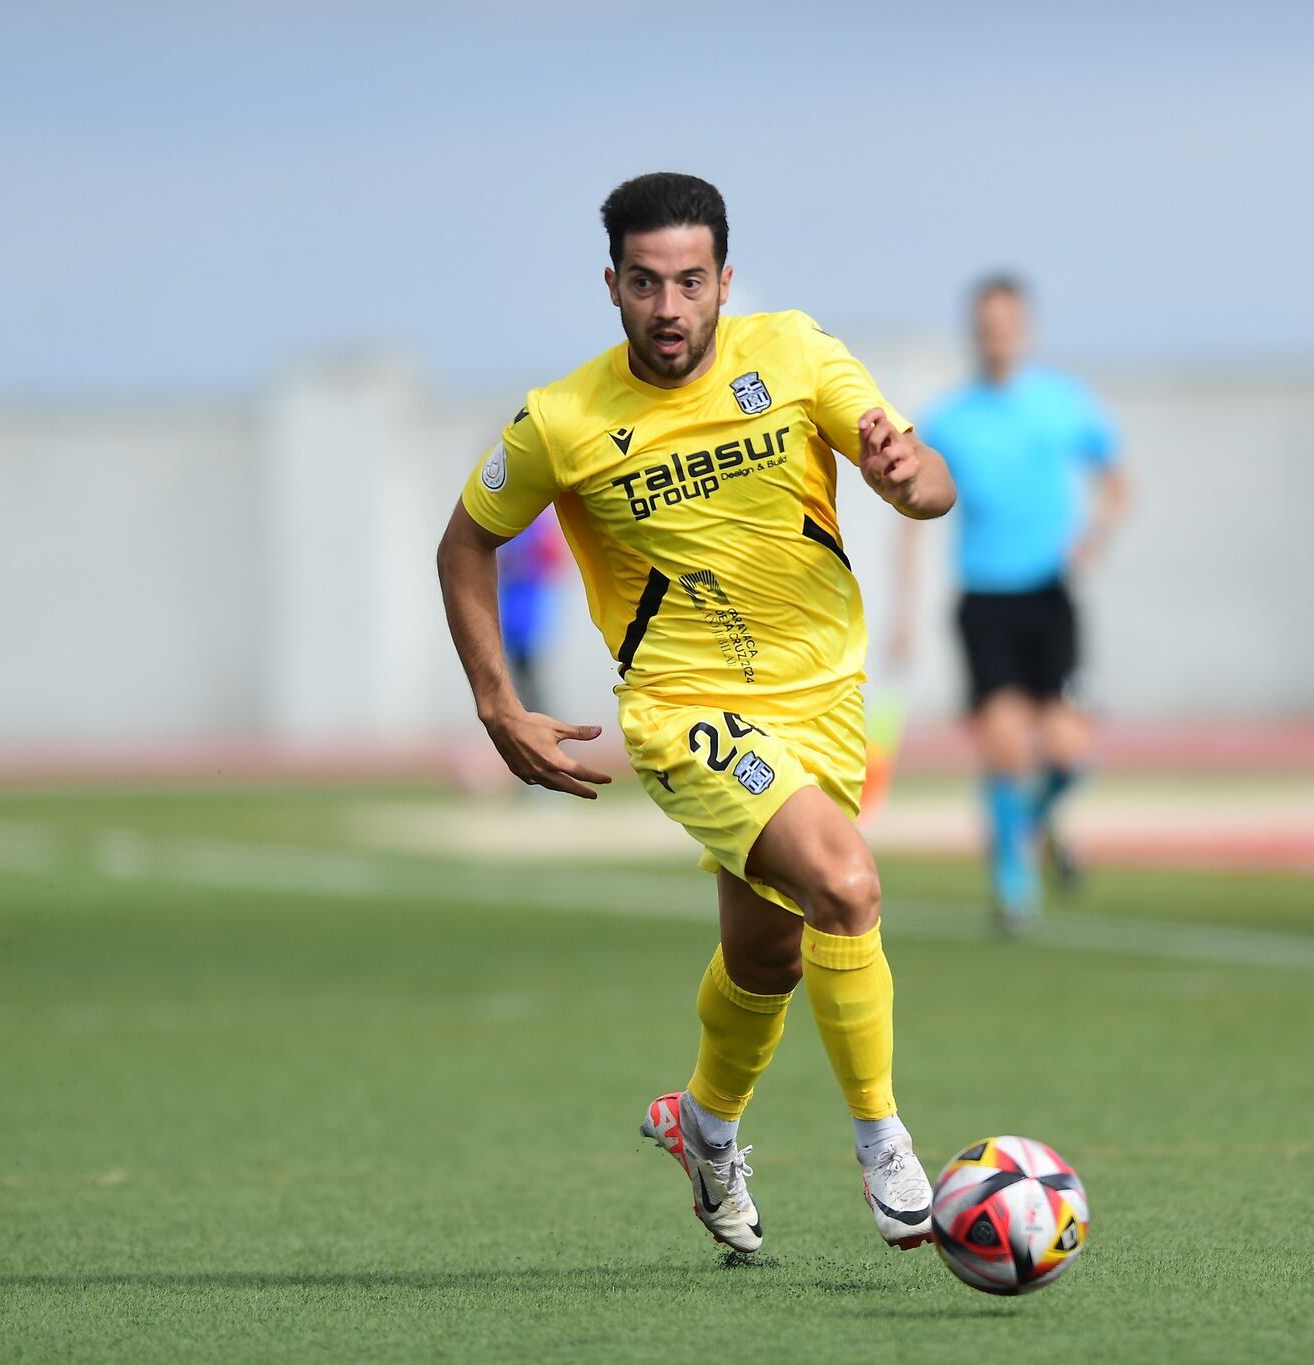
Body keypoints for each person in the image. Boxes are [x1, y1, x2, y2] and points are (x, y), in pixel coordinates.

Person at [434, 173, 956, 1257]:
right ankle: (883, 1140)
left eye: (687, 282)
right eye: (643, 283)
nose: (667, 308)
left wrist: (912, 480)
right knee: (846, 886)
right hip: (685, 712)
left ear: (723, 280)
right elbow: (465, 541)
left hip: (824, 698)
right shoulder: (562, 421)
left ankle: (704, 1128)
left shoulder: (798, 354)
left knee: (767, 957)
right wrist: (497, 704)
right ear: (611, 287)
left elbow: (919, 482)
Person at [895, 276, 1125, 930]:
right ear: (974, 329)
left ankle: (1030, 821)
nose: (997, 334)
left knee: (1067, 750)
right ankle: (1012, 884)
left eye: (1007, 321)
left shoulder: (1062, 403)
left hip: (1049, 594)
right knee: (1003, 748)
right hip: (984, 597)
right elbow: (910, 513)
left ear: (1026, 327)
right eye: (985, 322)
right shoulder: (949, 418)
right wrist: (904, 614)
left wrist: (1094, 536)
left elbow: (1118, 479)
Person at [496, 510, 568, 719]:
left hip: (527, 611)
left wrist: (522, 563)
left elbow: (555, 557)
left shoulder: (534, 521)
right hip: (514, 609)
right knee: (519, 675)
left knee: (528, 673)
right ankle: (534, 724)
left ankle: (543, 725)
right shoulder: (511, 517)